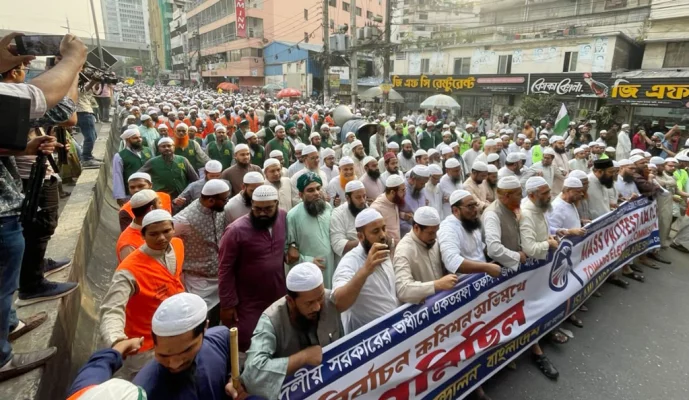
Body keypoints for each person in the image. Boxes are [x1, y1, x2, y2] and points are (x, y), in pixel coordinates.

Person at [100, 210, 185, 379]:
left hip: (176, 336)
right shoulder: (129, 270)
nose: (161, 238)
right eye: (154, 234)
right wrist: (117, 340)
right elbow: (112, 308)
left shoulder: (177, 245)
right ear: (143, 235)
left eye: (166, 231)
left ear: (173, 229)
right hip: (144, 347)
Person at [241, 262, 341, 399]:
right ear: (290, 301)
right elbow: (252, 374)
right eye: (309, 303)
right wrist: (303, 357)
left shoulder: (329, 302)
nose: (317, 307)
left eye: (320, 298)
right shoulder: (270, 320)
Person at [133, 293, 250, 400]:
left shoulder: (221, 338)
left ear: (205, 327)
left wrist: (232, 381)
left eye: (186, 350)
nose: (175, 364)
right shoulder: (144, 390)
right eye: (163, 355)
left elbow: (231, 369)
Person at [218, 185, 288, 353]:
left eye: (268, 209)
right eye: (257, 209)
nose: (262, 213)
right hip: (248, 301)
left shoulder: (284, 217)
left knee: (279, 338)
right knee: (248, 343)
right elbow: (224, 269)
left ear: (277, 204)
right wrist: (227, 305)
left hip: (279, 296)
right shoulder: (235, 230)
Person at [518, 177, 566, 375]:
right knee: (529, 308)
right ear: (531, 196)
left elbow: (543, 231)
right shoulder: (526, 214)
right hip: (529, 271)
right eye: (545, 194)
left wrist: (552, 235)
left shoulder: (541, 207)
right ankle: (536, 350)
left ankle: (546, 330)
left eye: (548, 192)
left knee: (543, 301)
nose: (550, 196)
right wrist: (549, 244)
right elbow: (529, 248)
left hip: (542, 267)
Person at [331, 208, 398, 334]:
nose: (383, 235)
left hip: (392, 332)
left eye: (384, 228)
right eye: (376, 231)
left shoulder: (383, 250)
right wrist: (366, 270)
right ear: (361, 237)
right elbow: (338, 302)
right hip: (367, 342)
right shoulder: (350, 261)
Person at [173, 180, 230, 323]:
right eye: (224, 199)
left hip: (219, 276)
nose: (227, 202)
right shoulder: (184, 219)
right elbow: (165, 238)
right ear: (211, 200)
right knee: (200, 320)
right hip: (198, 281)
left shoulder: (219, 210)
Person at [394, 206, 458, 304]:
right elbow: (403, 290)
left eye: (436, 231)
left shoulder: (433, 241)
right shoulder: (404, 250)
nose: (435, 236)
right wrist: (437, 285)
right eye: (430, 233)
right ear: (416, 228)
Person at [437, 189, 501, 277]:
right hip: (467, 283)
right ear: (456, 210)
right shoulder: (448, 228)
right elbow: (452, 261)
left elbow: (480, 251)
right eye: (470, 206)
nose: (475, 210)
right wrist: (486, 267)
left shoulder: (470, 221)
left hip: (484, 276)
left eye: (476, 205)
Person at [287, 172, 335, 288]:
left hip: (333, 267)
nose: (317, 193)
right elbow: (288, 252)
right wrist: (308, 261)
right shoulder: (292, 216)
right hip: (309, 272)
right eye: (310, 190)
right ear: (300, 194)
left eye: (318, 188)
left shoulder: (328, 207)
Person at [330, 180, 367, 265]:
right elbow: (338, 245)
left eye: (364, 196)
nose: (362, 201)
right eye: (358, 197)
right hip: (349, 264)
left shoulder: (366, 208)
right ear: (347, 198)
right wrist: (366, 241)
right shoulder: (338, 214)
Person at [116, 190, 159, 263]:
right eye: (159, 203)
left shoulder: (156, 228)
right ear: (152, 208)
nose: (162, 207)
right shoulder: (128, 245)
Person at [113, 129, 153, 205]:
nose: (139, 140)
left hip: (149, 191)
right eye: (135, 138)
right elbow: (117, 175)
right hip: (130, 194)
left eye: (140, 137)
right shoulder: (120, 156)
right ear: (127, 140)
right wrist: (120, 196)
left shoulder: (147, 150)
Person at [370, 174, 405, 244]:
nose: (405, 193)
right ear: (392, 192)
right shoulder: (376, 208)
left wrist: (403, 215)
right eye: (402, 190)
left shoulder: (394, 200)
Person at [400, 165, 429, 236]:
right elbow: (395, 215)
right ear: (413, 179)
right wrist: (415, 230)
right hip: (407, 233)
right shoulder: (401, 190)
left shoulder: (420, 189)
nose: (424, 186)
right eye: (422, 183)